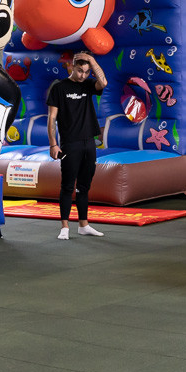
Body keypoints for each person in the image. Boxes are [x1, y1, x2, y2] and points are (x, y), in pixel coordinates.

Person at [46, 52, 107, 240]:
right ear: (72, 67)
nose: (83, 75)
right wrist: (53, 144)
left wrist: (93, 61)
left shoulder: (88, 85)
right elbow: (52, 118)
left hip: (89, 142)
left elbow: (103, 82)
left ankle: (83, 225)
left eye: (86, 72)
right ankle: (64, 227)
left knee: (84, 186)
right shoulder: (59, 88)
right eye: (80, 71)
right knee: (67, 185)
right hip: (69, 143)